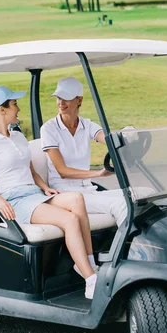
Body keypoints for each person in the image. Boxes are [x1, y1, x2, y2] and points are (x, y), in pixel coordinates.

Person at [0, 85, 98, 299]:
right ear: (2, 110)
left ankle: (88, 263)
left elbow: (30, 169)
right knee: (70, 220)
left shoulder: (17, 137)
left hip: (35, 194)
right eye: (14, 104)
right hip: (15, 202)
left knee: (77, 200)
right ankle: (91, 279)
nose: (18, 108)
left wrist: (44, 186)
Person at [40, 77, 128, 227]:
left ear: (79, 100)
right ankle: (128, 248)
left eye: (66, 98)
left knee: (140, 193)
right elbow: (63, 171)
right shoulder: (49, 129)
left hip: (88, 189)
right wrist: (97, 174)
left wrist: (126, 138)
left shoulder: (87, 125)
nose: (61, 102)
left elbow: (107, 139)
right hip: (66, 193)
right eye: (58, 98)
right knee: (120, 205)